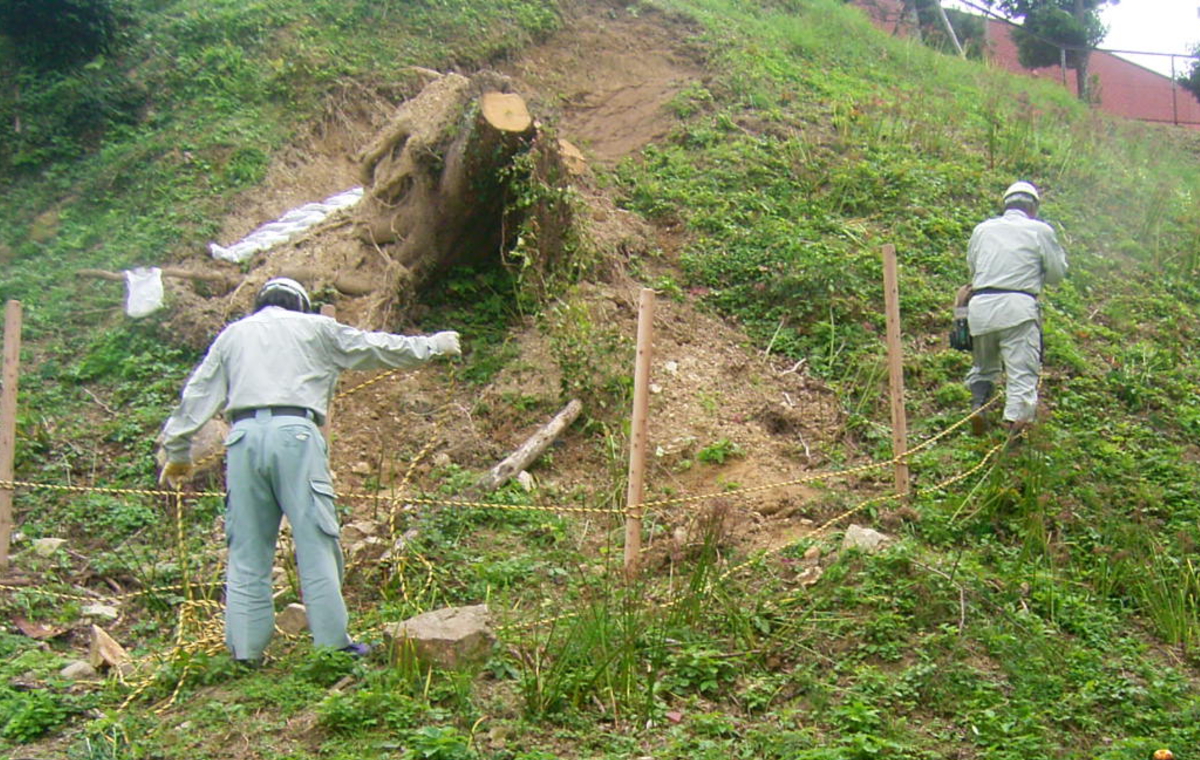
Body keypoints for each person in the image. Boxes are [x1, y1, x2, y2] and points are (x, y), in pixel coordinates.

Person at [158, 277, 461, 663]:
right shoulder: (315, 326)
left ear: (260, 304)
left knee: (247, 548)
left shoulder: (234, 335)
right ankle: (332, 646)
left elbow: (198, 392)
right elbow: (374, 347)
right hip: (296, 435)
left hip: (243, 438)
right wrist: (432, 346)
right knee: (315, 539)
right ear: (300, 304)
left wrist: (179, 450)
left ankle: (245, 653)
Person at [965, 181, 1067, 436]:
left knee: (984, 366)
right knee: (1022, 372)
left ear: (1006, 204)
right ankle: (1014, 432)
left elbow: (973, 268)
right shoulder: (1039, 230)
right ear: (1032, 207)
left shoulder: (983, 229)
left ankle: (979, 404)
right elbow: (1057, 274)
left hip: (980, 305)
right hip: (1017, 306)